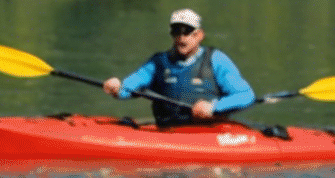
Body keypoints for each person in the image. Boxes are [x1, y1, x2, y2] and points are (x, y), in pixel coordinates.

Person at [101, 8, 254, 125]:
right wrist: (116, 88)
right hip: (167, 132)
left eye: (186, 31)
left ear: (199, 35)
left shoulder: (216, 59)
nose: (181, 37)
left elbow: (246, 95)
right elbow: (130, 86)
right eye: (176, 31)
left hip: (207, 134)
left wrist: (213, 107)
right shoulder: (158, 62)